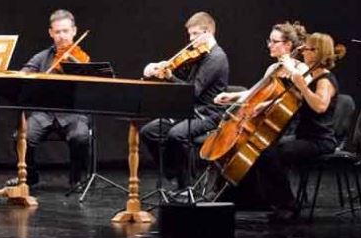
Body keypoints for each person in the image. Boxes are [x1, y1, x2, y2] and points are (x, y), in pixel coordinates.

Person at [215, 24, 339, 222]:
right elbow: (290, 98)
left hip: (320, 140)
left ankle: (288, 205)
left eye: (310, 49)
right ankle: (266, 200)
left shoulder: (325, 79)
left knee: (270, 154)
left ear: (321, 52)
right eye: (306, 48)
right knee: (265, 150)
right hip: (304, 135)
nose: (304, 51)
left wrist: (301, 85)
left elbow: (320, 107)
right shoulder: (311, 75)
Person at [139, 11, 229, 191]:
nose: (191, 39)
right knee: (149, 131)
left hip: (208, 115)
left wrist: (170, 77)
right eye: (190, 34)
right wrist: (158, 67)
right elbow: (181, 78)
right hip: (189, 111)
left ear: (208, 32)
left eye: (195, 34)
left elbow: (193, 91)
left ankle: (186, 185)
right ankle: (172, 171)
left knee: (176, 135)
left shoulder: (216, 57)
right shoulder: (198, 56)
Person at [6, 9, 91, 187]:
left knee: (80, 137)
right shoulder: (42, 57)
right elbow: (25, 71)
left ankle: (76, 178)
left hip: (73, 113)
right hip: (43, 113)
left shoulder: (81, 58)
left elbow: (90, 85)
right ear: (51, 33)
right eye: (57, 32)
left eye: (66, 31)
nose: (61, 36)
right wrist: (25, 75)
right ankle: (30, 175)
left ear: (74, 31)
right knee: (21, 137)